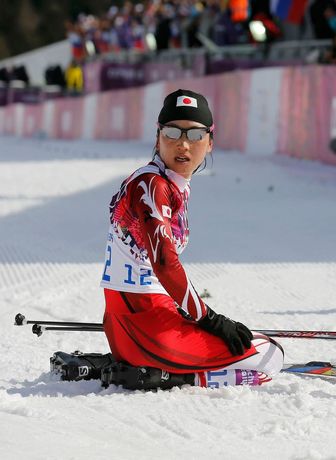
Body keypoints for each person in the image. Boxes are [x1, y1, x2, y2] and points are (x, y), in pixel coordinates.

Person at [101, 89, 284, 388]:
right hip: (148, 328)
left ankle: (165, 368)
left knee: (251, 343)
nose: (183, 144)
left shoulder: (167, 183)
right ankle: (176, 377)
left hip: (135, 322)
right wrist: (209, 318)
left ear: (210, 142)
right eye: (172, 132)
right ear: (158, 137)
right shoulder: (152, 185)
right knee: (269, 355)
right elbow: (163, 263)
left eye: (196, 135)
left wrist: (192, 312)